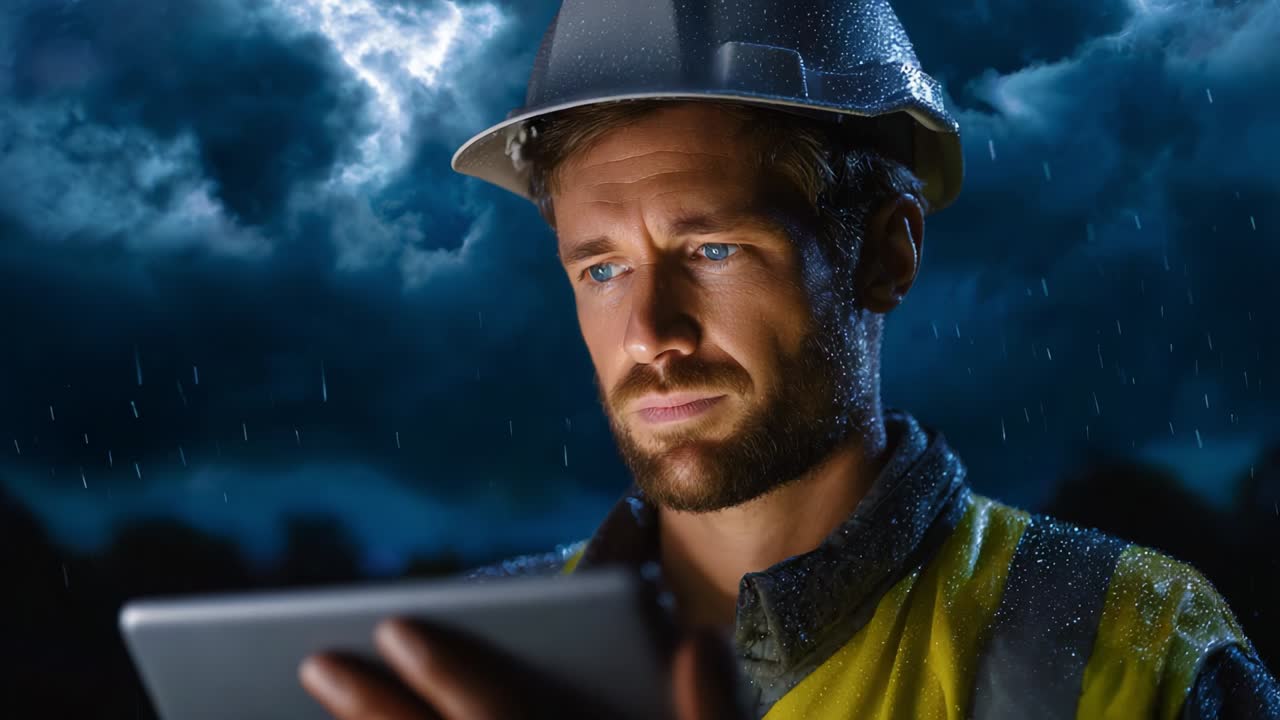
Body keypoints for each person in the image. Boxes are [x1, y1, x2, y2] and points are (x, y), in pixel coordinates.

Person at [297, 1, 1280, 717]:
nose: (650, 332)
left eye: (712, 250)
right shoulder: (452, 657)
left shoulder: (1117, 645)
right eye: (601, 269)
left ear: (885, 253)